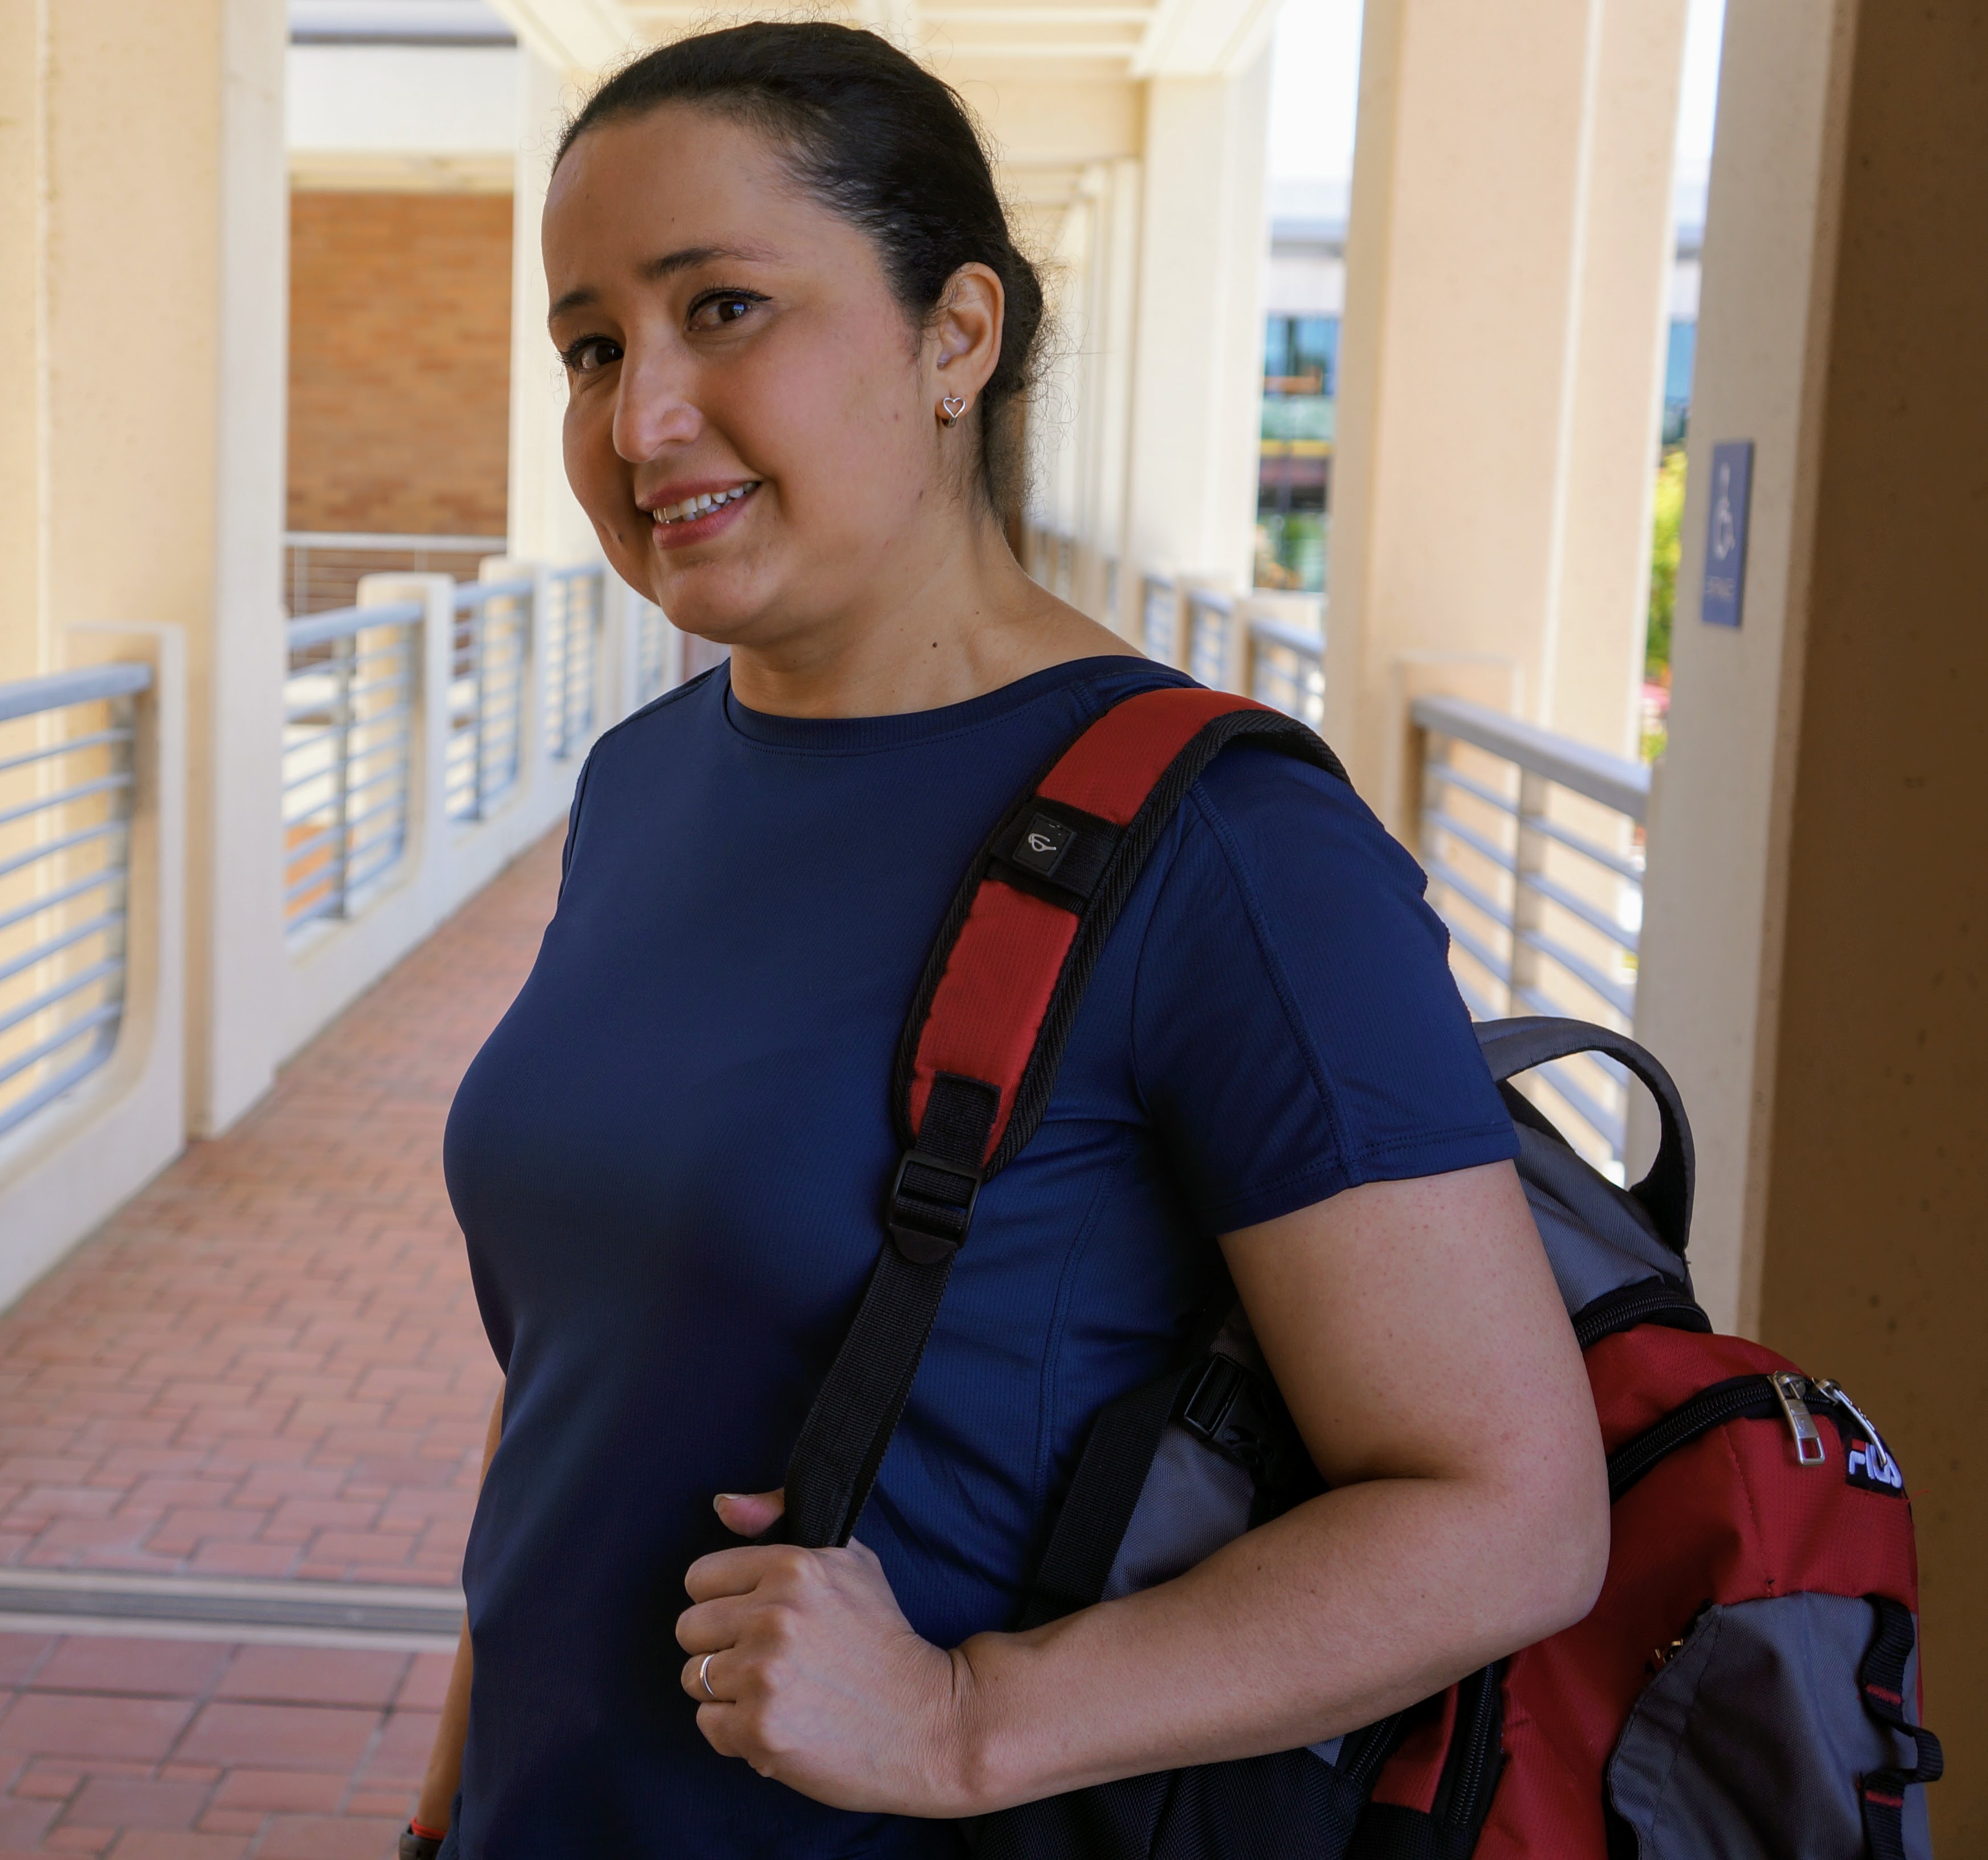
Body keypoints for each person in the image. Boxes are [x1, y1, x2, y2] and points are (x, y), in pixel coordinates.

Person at [401, 22, 1608, 1858]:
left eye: (722, 308)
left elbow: (1511, 1508)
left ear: (955, 335)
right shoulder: (644, 782)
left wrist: (969, 1720)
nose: (637, 418)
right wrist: (445, 1809)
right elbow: (582, 1381)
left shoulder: (1224, 839)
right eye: (591, 346)